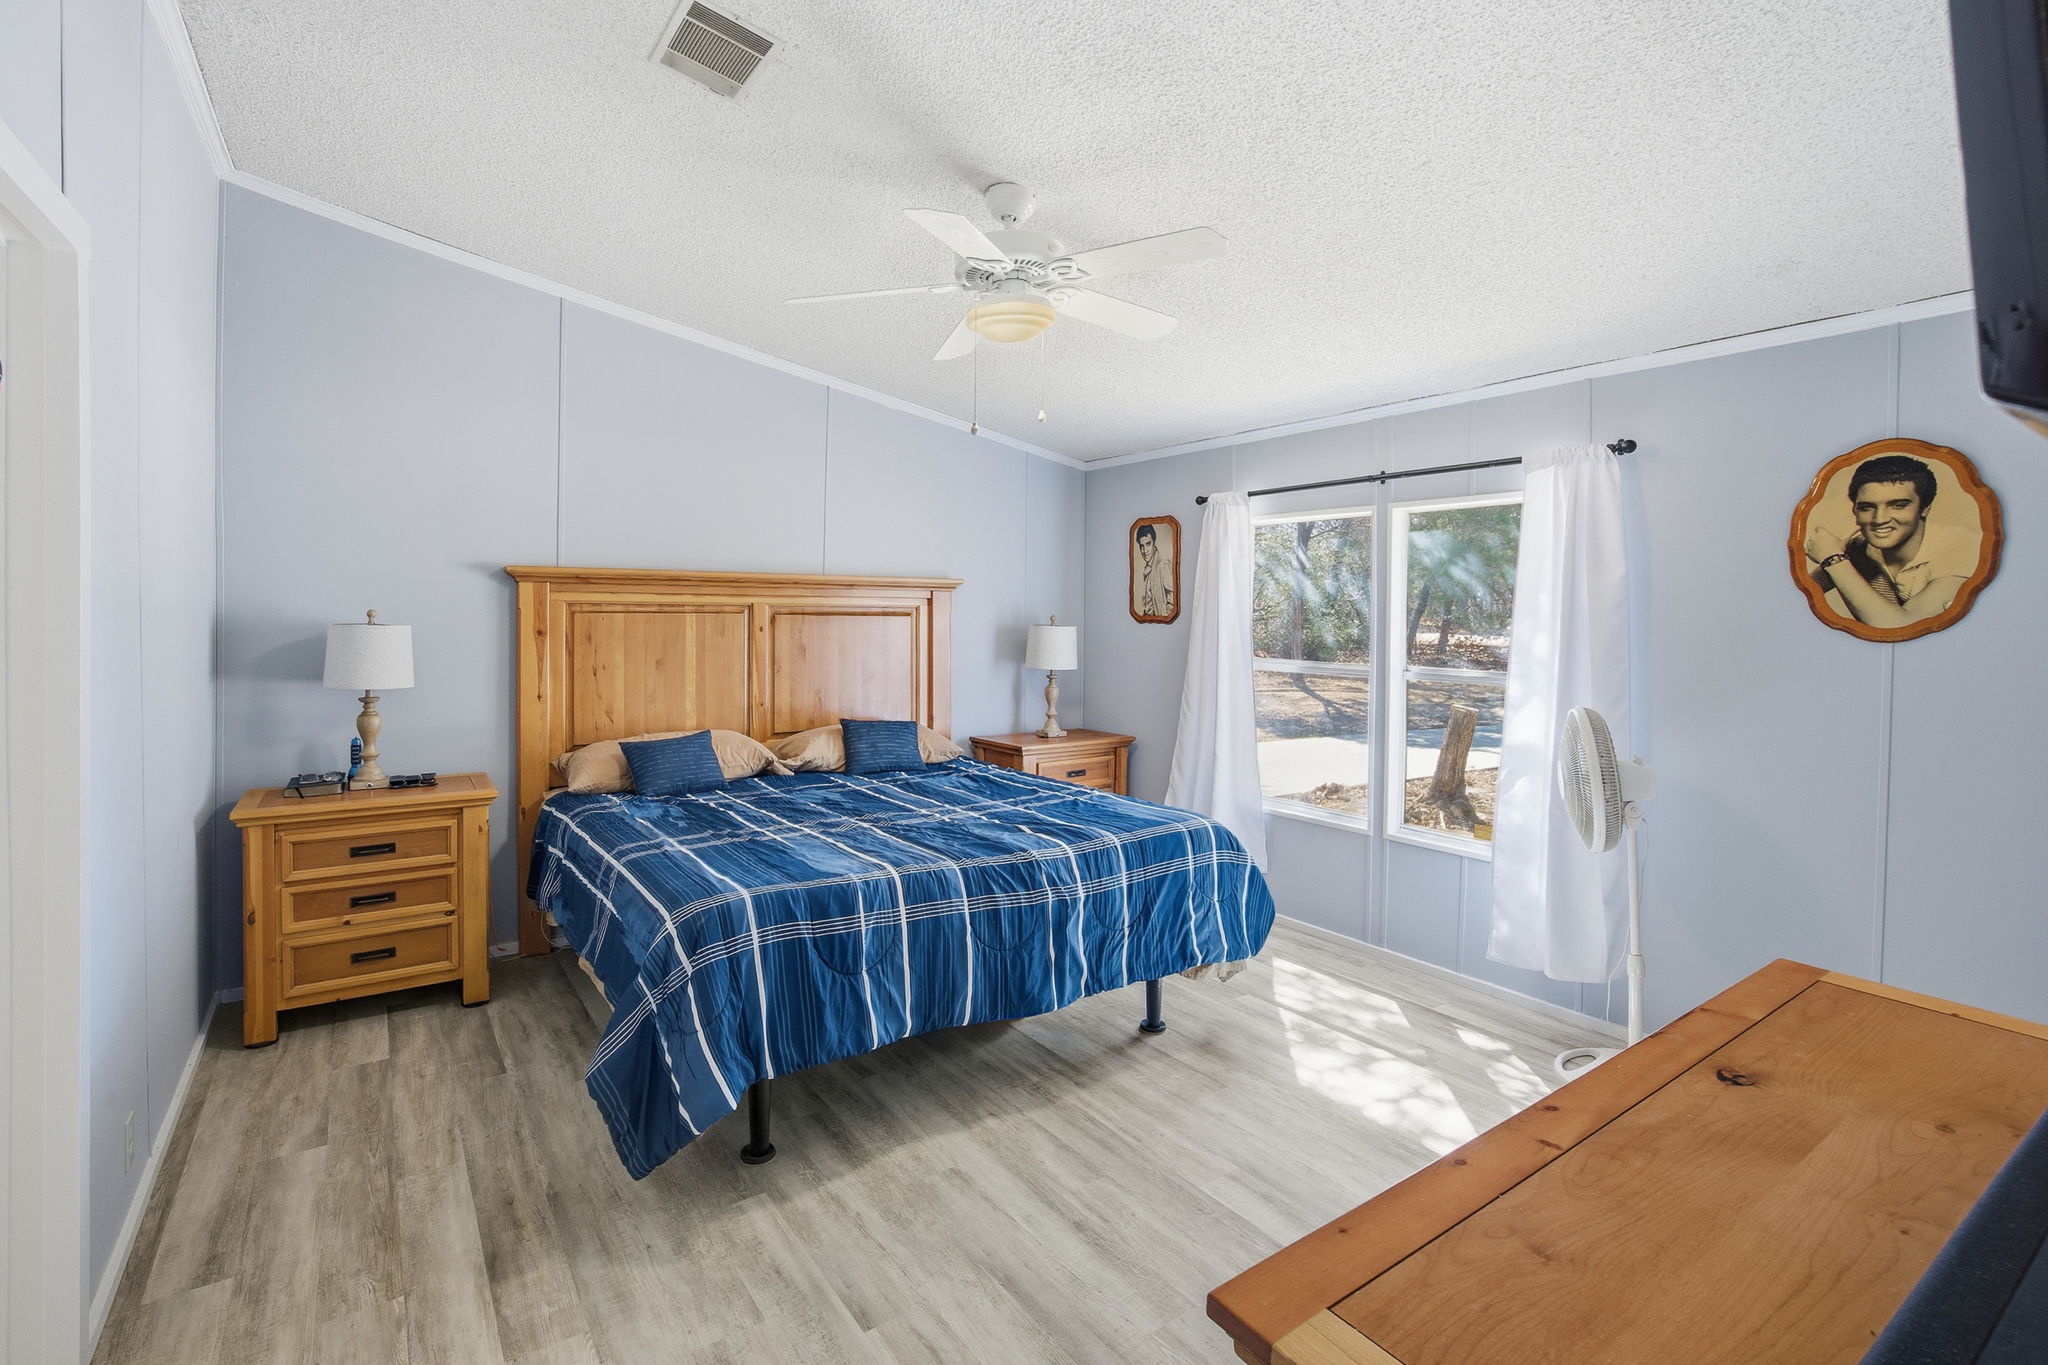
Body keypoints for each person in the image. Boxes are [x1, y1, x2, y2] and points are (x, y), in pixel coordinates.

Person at [1804, 454, 1977, 626]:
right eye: (1867, 507)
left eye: (1898, 506)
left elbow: (1899, 627)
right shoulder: (1857, 546)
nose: (1879, 519)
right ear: (1855, 511)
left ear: (1924, 508)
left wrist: (1833, 560)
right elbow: (1796, 595)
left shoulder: (1962, 547)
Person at [1135, 522, 1174, 617]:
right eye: (1142, 546)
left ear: (1154, 543)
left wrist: (1164, 616)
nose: (1145, 551)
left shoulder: (1163, 564)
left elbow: (1172, 601)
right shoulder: (1147, 568)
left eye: (1148, 544)